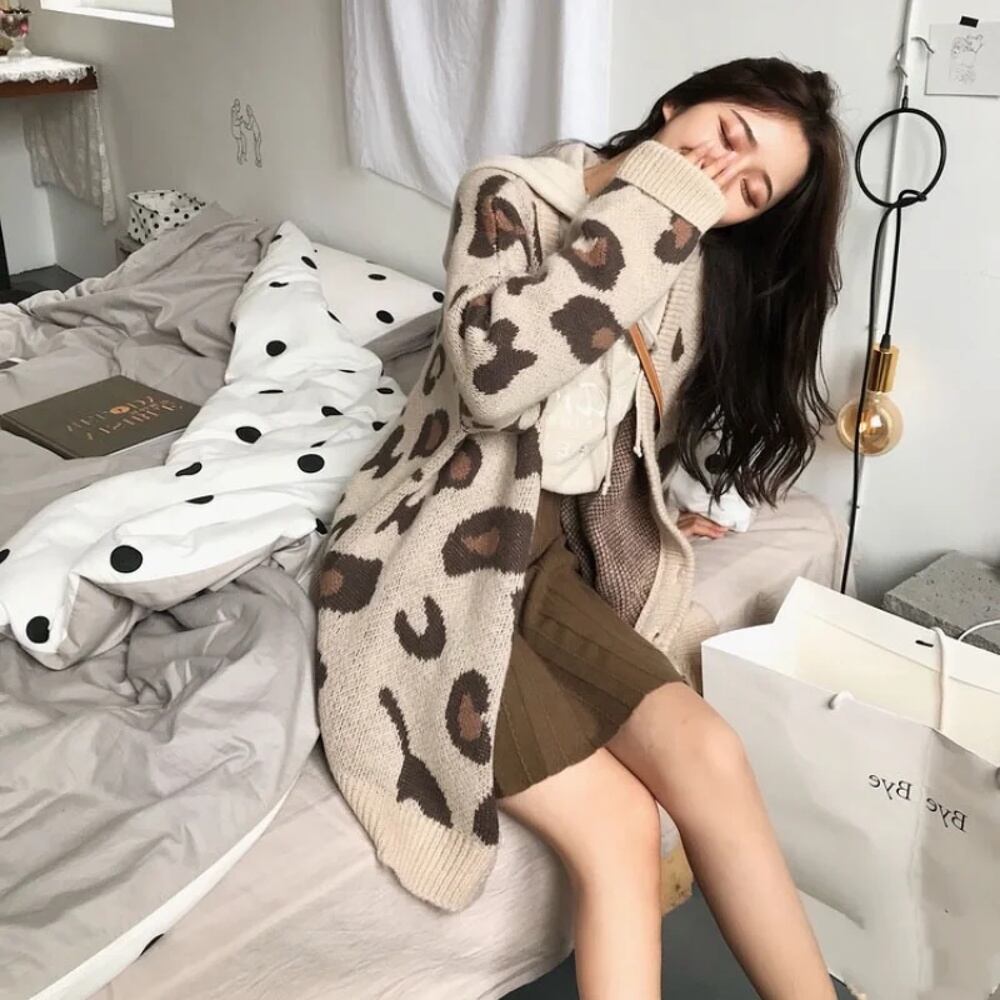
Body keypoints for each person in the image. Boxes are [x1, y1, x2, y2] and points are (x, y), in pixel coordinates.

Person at [316, 55, 848, 1000]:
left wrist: (679, 496)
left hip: (555, 561)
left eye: (752, 190)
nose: (722, 174)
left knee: (713, 755)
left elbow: (643, 412)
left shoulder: (688, 256)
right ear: (676, 102)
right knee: (618, 828)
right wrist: (657, 202)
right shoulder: (511, 196)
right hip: (438, 552)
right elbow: (495, 379)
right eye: (728, 135)